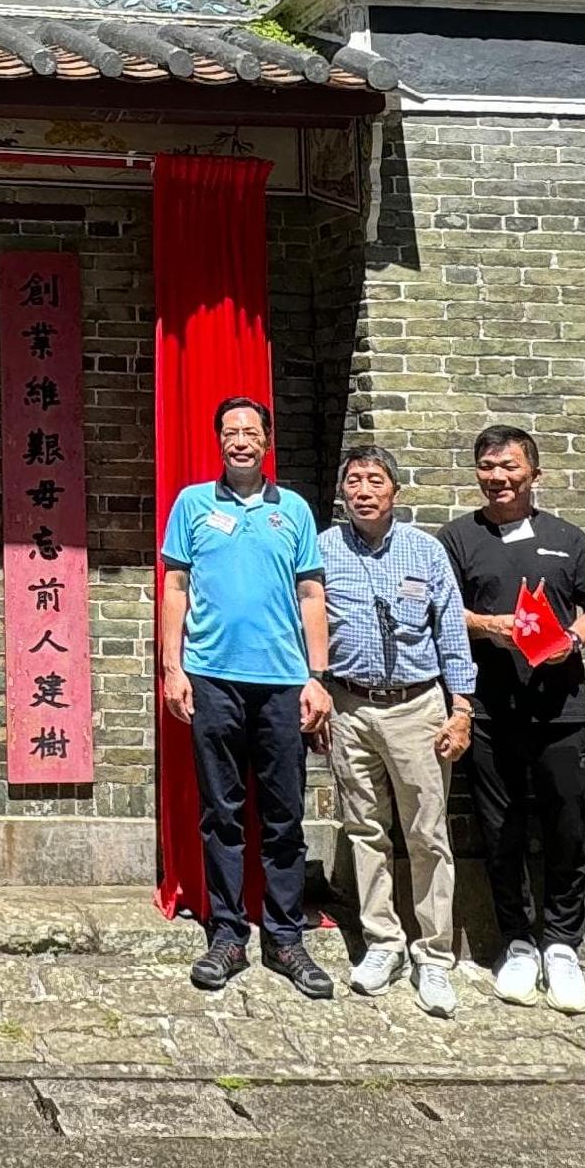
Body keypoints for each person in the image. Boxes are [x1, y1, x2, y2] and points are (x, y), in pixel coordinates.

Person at [160, 397, 333, 1000]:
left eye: (250, 431)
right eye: (230, 432)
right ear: (218, 441)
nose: (240, 440)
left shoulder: (295, 511)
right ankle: (227, 935)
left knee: (284, 816)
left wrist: (318, 677)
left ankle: (286, 939)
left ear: (267, 440)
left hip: (284, 683)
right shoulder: (192, 505)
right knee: (222, 813)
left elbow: (311, 592)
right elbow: (176, 586)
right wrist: (172, 665)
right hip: (211, 677)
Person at [443, 423, 585, 1015]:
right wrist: (490, 625)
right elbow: (442, 610)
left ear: (534, 473)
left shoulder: (570, 539)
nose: (499, 478)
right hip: (490, 711)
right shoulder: (459, 537)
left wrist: (569, 638)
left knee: (567, 826)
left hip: (561, 710)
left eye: (510, 467)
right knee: (501, 828)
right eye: (488, 468)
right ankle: (516, 940)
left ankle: (563, 943)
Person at [314, 444, 470, 1017]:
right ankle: (382, 942)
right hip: (349, 705)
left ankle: (434, 956)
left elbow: (451, 633)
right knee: (364, 830)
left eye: (374, 480)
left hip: (417, 707)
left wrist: (462, 709)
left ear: (394, 491)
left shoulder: (424, 552)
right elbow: (304, 620)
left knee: (427, 833)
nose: (363, 490)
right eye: (353, 480)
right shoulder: (323, 550)